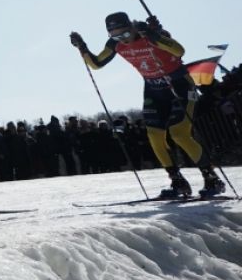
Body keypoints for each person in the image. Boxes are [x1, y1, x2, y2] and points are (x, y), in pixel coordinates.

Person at [71, 12, 225, 198]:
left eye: (126, 34)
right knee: (154, 135)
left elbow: (179, 51)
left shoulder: (148, 33)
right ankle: (177, 182)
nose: (123, 40)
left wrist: (154, 36)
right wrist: (83, 47)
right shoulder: (115, 44)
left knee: (179, 133)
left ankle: (212, 179)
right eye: (116, 36)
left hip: (179, 86)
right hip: (153, 90)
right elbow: (96, 64)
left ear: (132, 27)